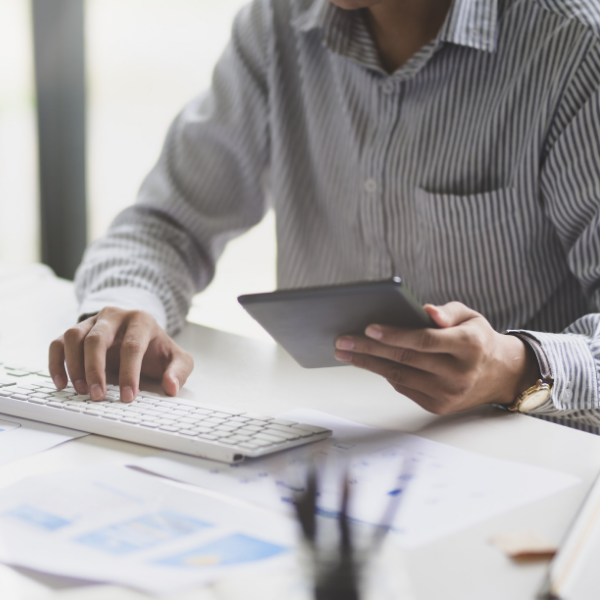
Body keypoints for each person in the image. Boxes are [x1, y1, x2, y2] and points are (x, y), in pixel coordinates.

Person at [49, 0, 600, 431]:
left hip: (522, 460)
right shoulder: (276, 26)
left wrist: (516, 368)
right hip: (320, 445)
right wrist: (127, 311)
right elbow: (164, 226)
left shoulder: (573, 48)